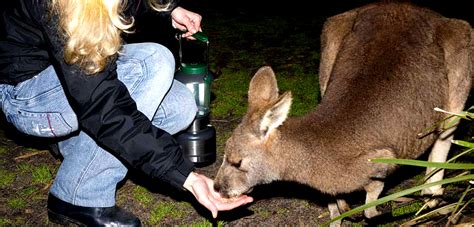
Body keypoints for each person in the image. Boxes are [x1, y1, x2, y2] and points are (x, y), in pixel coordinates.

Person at [0, 0, 253, 226]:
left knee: (180, 106)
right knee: (152, 63)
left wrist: (170, 9)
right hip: (26, 94)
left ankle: (80, 147)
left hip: (67, 79)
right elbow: (105, 106)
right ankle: (79, 195)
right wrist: (186, 177)